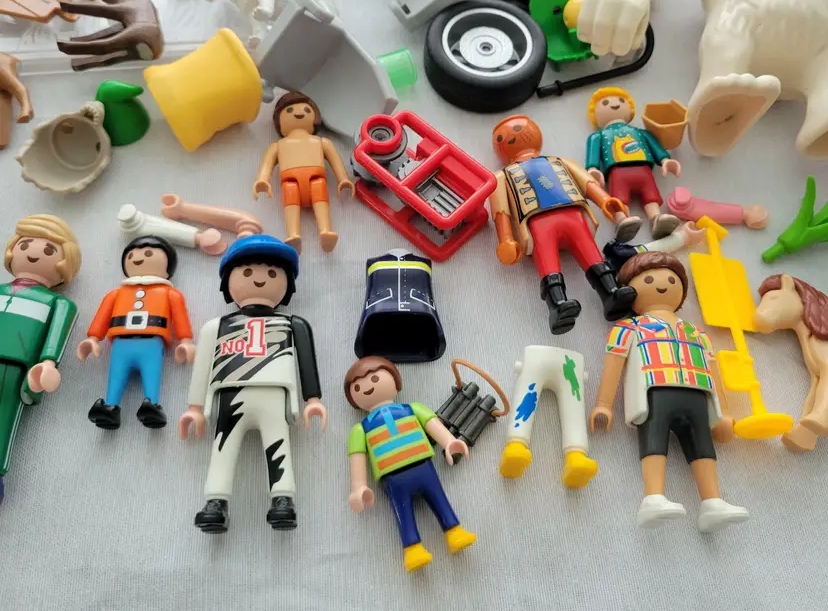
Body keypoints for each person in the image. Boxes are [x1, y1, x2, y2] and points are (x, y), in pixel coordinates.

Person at [589, 252, 749, 531]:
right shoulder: (629, 328)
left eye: (672, 280)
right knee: (654, 439)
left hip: (697, 392)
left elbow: (713, 371)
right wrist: (603, 404)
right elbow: (613, 364)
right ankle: (653, 498)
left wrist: (723, 413)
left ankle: (713, 503)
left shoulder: (697, 333)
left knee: (702, 445)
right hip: (655, 391)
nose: (662, 285)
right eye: (649, 280)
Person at [179, 234, 326, 533]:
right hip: (229, 396)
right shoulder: (217, 326)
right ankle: (215, 501)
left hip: (274, 394)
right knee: (222, 448)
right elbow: (203, 364)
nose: (259, 279)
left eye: (272, 273)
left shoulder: (291, 325)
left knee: (279, 445)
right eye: (247, 271)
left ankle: (282, 499)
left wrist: (313, 399)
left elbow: (306, 362)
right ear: (227, 281)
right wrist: (194, 407)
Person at [489, 114, 637, 334]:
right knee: (547, 260)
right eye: (500, 137)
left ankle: (611, 292)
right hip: (537, 222)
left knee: (591, 254)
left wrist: (605, 200)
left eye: (519, 129)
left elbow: (586, 182)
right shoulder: (501, 176)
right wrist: (505, 239)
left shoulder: (560, 161)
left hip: (573, 213)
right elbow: (501, 210)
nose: (511, 136)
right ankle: (557, 305)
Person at [345, 356, 476, 572]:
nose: (368, 387)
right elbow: (357, 456)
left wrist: (449, 442)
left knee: (439, 499)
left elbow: (432, 423)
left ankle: (455, 532)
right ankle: (413, 549)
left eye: (375, 378)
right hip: (393, 478)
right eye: (357, 387)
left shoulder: (412, 408)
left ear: (396, 381)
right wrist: (359, 486)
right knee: (402, 512)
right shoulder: (361, 429)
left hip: (423, 466)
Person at [0, 215, 81, 505]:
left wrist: (48, 363)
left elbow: (55, 338)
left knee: (4, 418)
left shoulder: (59, 303)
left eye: (49, 250)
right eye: (25, 245)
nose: (33, 253)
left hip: (15, 368)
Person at [77, 236, 194, 430]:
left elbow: (180, 316)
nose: (139, 259)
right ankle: (110, 408)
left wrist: (185, 340)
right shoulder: (116, 294)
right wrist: (93, 338)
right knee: (116, 374)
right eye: (131, 255)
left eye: (148, 253)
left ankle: (152, 406)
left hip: (152, 342)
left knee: (151, 374)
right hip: (121, 343)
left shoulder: (169, 294)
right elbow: (102, 315)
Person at [253, 91, 354, 253]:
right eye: (289, 110)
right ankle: (293, 235)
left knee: (318, 187)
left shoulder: (322, 142)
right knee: (290, 191)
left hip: (316, 179)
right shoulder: (277, 146)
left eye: (307, 110)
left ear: (315, 118)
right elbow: (267, 164)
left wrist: (343, 179)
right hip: (290, 182)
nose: (299, 113)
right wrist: (262, 180)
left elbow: (335, 161)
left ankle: (325, 231)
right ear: (278, 121)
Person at [585, 87, 681, 238]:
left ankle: (656, 219)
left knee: (650, 195)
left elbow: (654, 146)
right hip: (617, 172)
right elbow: (593, 154)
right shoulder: (598, 136)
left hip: (643, 170)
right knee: (619, 198)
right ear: (594, 115)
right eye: (605, 103)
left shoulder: (640, 132)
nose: (614, 104)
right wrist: (592, 169)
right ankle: (622, 221)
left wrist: (665, 159)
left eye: (621, 101)